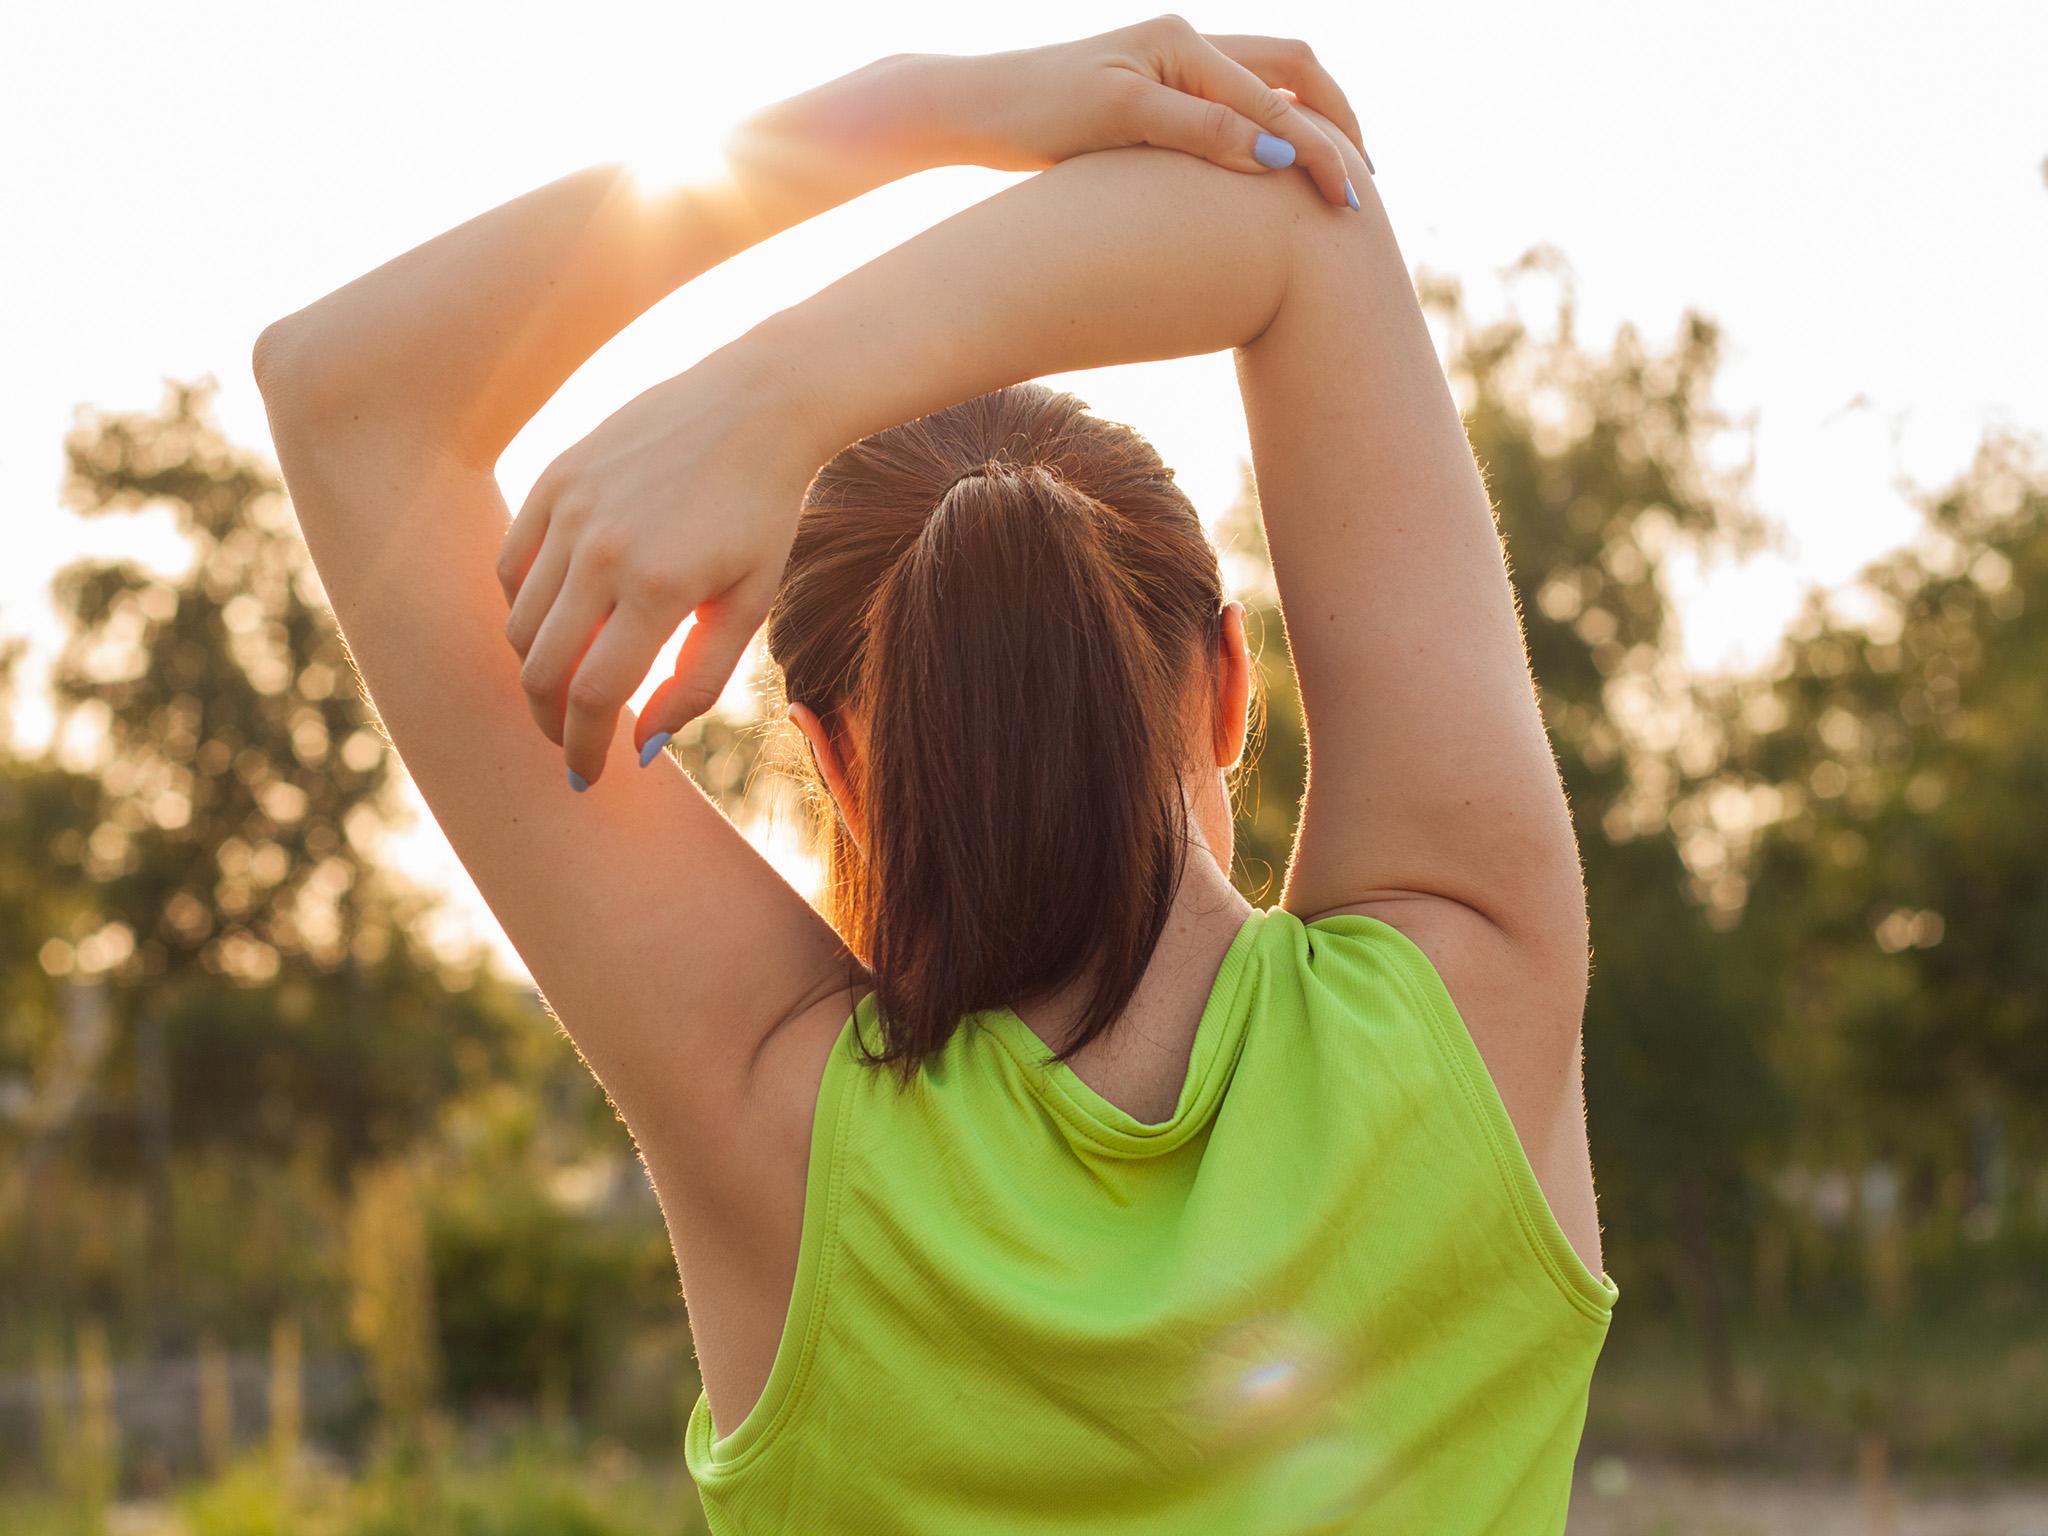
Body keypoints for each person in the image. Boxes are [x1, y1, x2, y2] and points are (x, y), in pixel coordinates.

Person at [252, 19, 1616, 1533]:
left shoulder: (782, 1134)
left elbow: (345, 395)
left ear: (833, 757)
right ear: (1228, 683)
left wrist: (914, 110)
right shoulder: (1468, 995)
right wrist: (776, 396)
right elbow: (1300, 214)